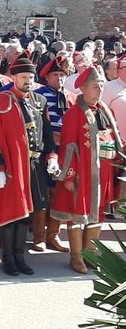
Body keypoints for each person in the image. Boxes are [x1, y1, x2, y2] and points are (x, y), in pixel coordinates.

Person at [0, 58, 57, 276]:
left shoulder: (39, 101)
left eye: (31, 78)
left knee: (27, 214)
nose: (27, 81)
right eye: (23, 78)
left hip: (35, 165)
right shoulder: (0, 101)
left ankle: (20, 255)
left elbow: (47, 133)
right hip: (12, 166)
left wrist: (51, 156)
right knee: (11, 212)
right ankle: (8, 257)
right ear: (13, 78)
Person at [51, 66, 125, 273]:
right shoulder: (74, 114)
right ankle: (76, 257)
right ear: (83, 88)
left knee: (98, 213)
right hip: (83, 171)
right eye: (95, 86)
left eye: (101, 85)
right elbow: (68, 146)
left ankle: (90, 253)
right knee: (77, 213)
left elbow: (113, 135)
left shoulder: (104, 109)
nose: (99, 90)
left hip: (105, 170)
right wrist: (69, 175)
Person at [34, 54, 76, 253]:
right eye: (55, 74)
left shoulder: (71, 96)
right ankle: (38, 237)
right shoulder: (39, 95)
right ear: (47, 77)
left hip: (66, 150)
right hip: (46, 148)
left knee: (60, 193)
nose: (59, 78)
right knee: (44, 193)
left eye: (62, 74)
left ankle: (53, 234)